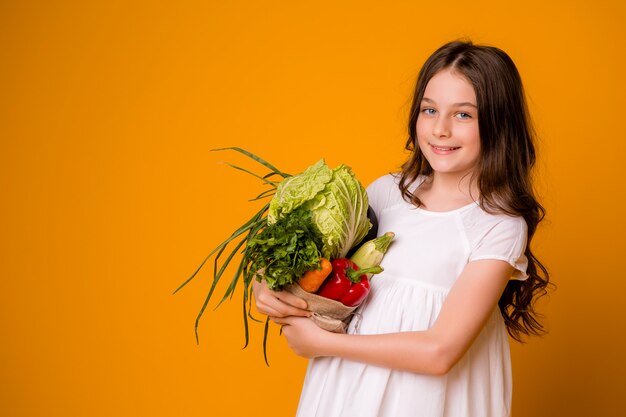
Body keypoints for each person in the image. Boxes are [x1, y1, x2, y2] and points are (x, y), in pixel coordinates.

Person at [252, 40, 550, 417]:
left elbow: (440, 352)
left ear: (498, 123)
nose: (440, 129)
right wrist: (266, 285)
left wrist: (324, 344)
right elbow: (316, 269)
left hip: (425, 402)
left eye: (463, 115)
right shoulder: (385, 193)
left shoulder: (497, 225)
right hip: (346, 393)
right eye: (430, 110)